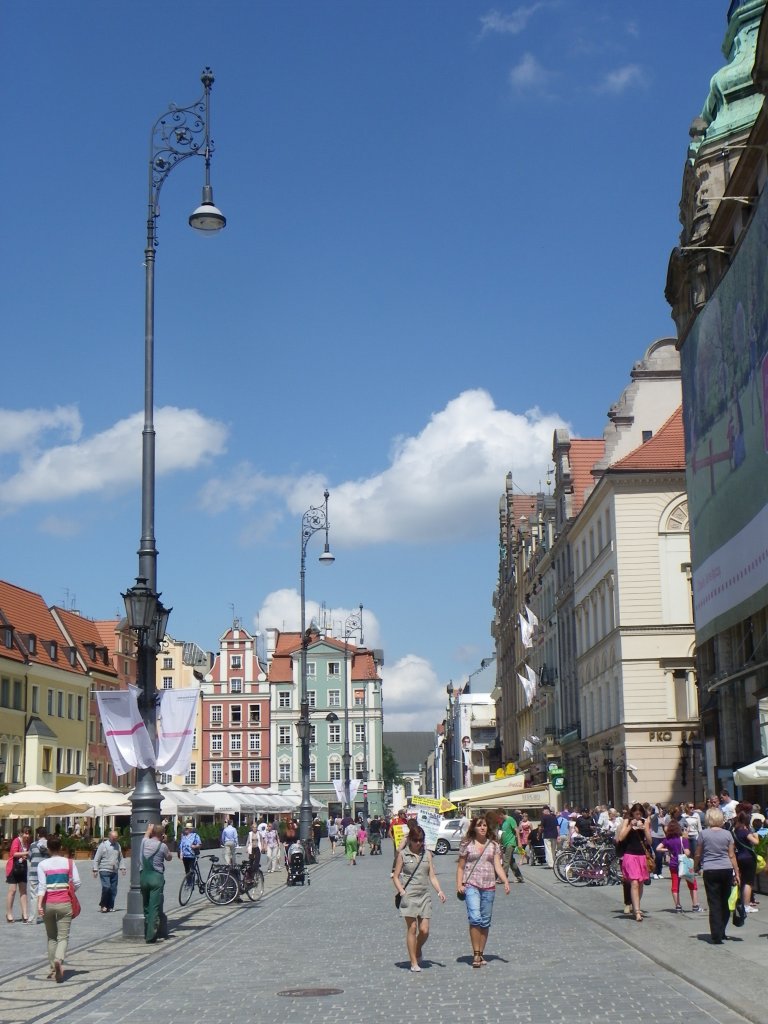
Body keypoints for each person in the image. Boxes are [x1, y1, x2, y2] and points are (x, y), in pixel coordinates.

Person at [456, 815, 510, 968]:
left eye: (484, 825)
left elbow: (497, 866)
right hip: (471, 884)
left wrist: (505, 880)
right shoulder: (467, 844)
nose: (482, 828)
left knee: (485, 921)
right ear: (474, 827)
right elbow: (460, 866)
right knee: (475, 918)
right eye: (479, 825)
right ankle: (476, 953)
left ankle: (480, 953)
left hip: (489, 886)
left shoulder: (493, 845)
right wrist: (459, 884)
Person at [393, 822, 445, 972]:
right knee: (413, 928)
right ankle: (413, 962)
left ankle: (417, 948)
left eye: (421, 840)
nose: (418, 843)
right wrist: (402, 892)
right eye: (415, 840)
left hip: (424, 895)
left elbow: (432, 876)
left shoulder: (427, 854)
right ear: (410, 840)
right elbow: (396, 877)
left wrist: (439, 891)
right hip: (409, 895)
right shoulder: (403, 855)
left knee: (424, 930)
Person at [37, 834, 80, 982]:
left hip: (48, 903)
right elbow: (77, 882)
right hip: (64, 903)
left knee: (51, 937)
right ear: (61, 847)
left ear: (48, 849)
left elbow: (41, 887)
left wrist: (38, 905)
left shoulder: (43, 865)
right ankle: (59, 960)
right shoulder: (69, 863)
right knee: (63, 937)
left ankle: (52, 968)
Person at [694, 807, 740, 944]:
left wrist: (695, 866)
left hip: (710, 870)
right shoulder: (727, 834)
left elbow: (697, 853)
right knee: (725, 901)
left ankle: (716, 934)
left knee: (714, 902)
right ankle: (722, 930)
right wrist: (737, 872)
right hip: (726, 869)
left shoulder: (703, 834)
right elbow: (731, 855)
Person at [616, 803, 652, 922]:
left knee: (640, 883)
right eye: (636, 814)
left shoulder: (645, 821)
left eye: (640, 814)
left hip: (641, 855)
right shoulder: (628, 821)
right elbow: (620, 838)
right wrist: (630, 826)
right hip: (630, 855)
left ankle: (637, 905)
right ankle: (637, 911)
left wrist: (645, 829)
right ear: (632, 813)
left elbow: (650, 841)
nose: (638, 816)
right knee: (634, 883)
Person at [656, 819, 702, 913]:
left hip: (674, 865)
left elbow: (657, 848)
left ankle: (678, 906)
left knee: (675, 886)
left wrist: (668, 850)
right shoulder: (683, 839)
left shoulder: (667, 840)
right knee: (692, 884)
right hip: (684, 864)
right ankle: (695, 905)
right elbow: (687, 852)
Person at [139, 823, 172, 944]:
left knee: (146, 906)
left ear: (152, 833)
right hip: (156, 878)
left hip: (143, 877)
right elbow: (169, 857)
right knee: (154, 907)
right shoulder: (162, 846)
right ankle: (151, 936)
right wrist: (165, 841)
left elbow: (146, 835)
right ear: (162, 834)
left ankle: (147, 929)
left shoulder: (144, 842)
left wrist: (149, 828)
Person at [732, 810, 760, 912]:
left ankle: (742, 902)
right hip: (749, 858)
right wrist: (755, 835)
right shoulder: (745, 832)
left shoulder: (735, 832)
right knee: (748, 882)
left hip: (740, 857)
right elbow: (756, 842)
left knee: (743, 881)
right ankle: (746, 905)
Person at [92, 830, 125, 913]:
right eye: (114, 838)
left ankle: (110, 906)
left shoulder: (118, 845)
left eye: (116, 838)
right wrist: (95, 869)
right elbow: (97, 858)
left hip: (114, 870)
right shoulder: (103, 845)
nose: (115, 839)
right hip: (104, 869)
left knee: (113, 890)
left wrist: (122, 867)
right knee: (106, 887)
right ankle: (103, 905)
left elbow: (120, 857)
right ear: (109, 837)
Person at [5, 825, 31, 923]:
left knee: (23, 890)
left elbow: (25, 855)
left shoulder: (27, 843)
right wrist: (26, 853)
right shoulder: (16, 840)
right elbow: (14, 853)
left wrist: (26, 856)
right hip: (13, 868)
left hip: (23, 868)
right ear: (21, 833)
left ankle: (25, 914)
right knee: (12, 890)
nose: (27, 835)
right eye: (25, 833)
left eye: (28, 833)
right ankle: (9, 913)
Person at [26, 827, 49, 925]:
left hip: (34, 873)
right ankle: (46, 917)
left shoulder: (33, 845)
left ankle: (32, 918)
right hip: (46, 873)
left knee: (33, 896)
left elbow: (29, 858)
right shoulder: (49, 845)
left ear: (38, 835)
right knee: (45, 895)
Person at [497, 809, 524, 882]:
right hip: (505, 844)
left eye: (499, 816)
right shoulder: (503, 822)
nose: (498, 818)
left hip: (511, 843)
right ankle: (519, 877)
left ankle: (502, 877)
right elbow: (502, 833)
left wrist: (519, 842)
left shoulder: (510, 819)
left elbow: (517, 830)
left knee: (506, 861)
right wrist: (500, 843)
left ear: (501, 814)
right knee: (511, 861)